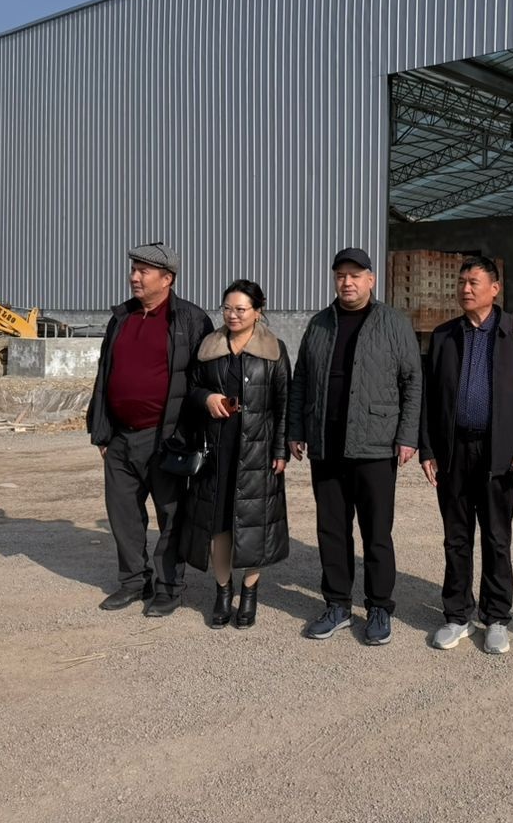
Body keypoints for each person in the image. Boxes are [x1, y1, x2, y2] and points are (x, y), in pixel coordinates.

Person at [287, 247, 421, 646]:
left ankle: (379, 606)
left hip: (375, 445)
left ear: (371, 280)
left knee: (376, 532)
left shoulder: (392, 323)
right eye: (341, 275)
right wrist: (296, 428)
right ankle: (337, 604)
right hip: (326, 444)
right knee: (331, 529)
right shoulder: (319, 324)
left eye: (355, 275)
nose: (347, 282)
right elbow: (301, 379)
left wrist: (407, 435)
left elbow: (413, 381)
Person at [420, 256, 513, 655]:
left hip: (499, 454)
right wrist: (428, 449)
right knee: (456, 538)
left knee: (496, 538)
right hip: (453, 451)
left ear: (495, 288)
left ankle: (496, 618)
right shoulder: (444, 336)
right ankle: (457, 615)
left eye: (474, 282)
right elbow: (428, 398)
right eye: (461, 282)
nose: (465, 289)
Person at [87, 242, 213, 617]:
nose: (134, 277)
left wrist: (192, 437)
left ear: (167, 278)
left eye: (143, 271)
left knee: (171, 516)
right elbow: (104, 375)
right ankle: (132, 582)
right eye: (133, 270)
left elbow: (202, 381)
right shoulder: (121, 318)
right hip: (120, 438)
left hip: (166, 438)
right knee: (123, 515)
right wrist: (102, 431)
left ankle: (169, 587)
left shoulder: (190, 320)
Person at [181, 280, 291, 629]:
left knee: (253, 524)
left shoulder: (274, 350)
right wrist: (206, 398)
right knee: (219, 525)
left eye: (241, 309)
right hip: (218, 450)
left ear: (258, 311)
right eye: (227, 308)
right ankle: (222, 592)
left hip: (258, 452)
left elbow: (284, 405)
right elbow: (190, 389)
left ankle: (249, 593)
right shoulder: (209, 347)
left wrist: (281, 450)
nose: (232, 315)